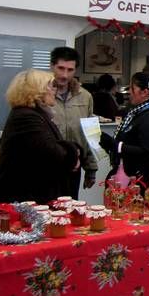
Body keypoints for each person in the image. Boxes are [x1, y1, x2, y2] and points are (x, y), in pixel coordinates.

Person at [0, 69, 81, 204]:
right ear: (37, 91)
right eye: (51, 86)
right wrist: (74, 153)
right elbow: (53, 153)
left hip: (31, 197)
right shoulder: (27, 117)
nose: (54, 90)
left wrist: (70, 150)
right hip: (24, 201)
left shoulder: (35, 115)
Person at [101, 71, 149, 184]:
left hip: (144, 182)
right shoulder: (138, 112)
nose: (129, 92)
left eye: (132, 88)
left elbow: (147, 152)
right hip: (134, 177)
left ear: (144, 92)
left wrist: (116, 146)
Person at [49, 46, 97, 198]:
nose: (64, 75)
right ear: (52, 66)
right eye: (60, 68)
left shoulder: (85, 97)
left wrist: (91, 169)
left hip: (74, 167)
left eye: (70, 70)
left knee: (71, 213)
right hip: (48, 166)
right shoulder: (42, 94)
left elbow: (92, 135)